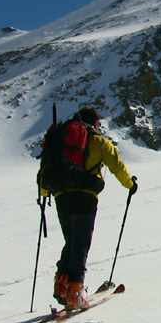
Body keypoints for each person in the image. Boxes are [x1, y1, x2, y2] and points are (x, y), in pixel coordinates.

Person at [41, 107, 137, 310]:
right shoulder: (99, 142)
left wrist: (43, 194)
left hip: (61, 195)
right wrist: (130, 185)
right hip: (85, 196)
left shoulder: (61, 141)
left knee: (71, 240)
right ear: (94, 123)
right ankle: (75, 291)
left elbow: (48, 166)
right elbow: (116, 166)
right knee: (81, 242)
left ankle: (61, 285)